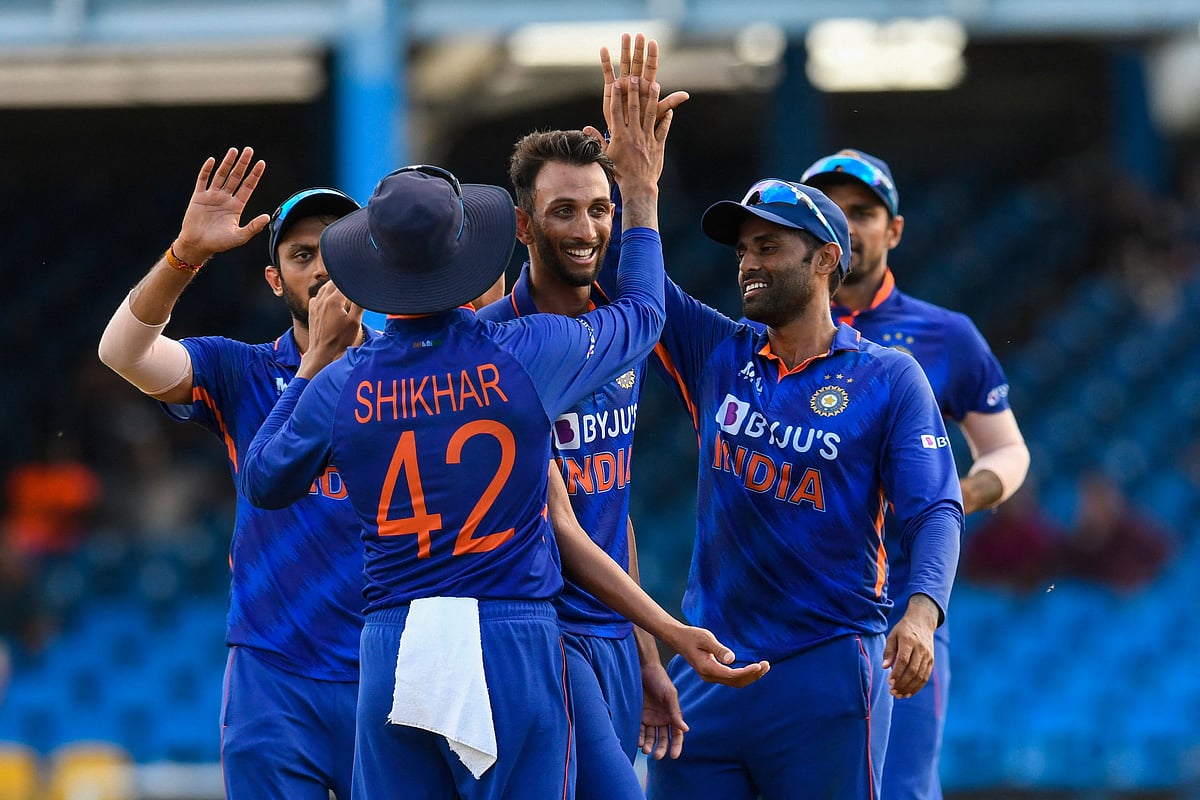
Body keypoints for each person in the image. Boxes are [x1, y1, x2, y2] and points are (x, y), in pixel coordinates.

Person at [239, 64, 767, 800]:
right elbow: (646, 316)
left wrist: (312, 364)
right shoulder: (524, 352)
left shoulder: (345, 378)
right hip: (507, 629)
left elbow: (264, 480)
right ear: (476, 249)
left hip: (392, 637)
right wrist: (642, 195)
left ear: (374, 265)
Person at [594, 165, 963, 795]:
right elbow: (623, 278)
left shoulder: (888, 378)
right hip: (709, 669)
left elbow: (935, 510)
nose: (748, 264)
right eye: (743, 250)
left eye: (768, 247)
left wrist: (923, 613)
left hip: (825, 669)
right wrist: (634, 187)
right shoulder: (719, 352)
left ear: (825, 259)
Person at [97, 148, 368, 800]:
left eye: (338, 251)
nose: (322, 267)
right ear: (275, 280)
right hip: (274, 677)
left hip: (389, 667)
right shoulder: (240, 370)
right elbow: (122, 352)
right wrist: (185, 254)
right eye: (301, 255)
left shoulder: (412, 373)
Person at [799, 148, 1031, 800]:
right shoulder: (767, 331)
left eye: (863, 212)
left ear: (894, 230)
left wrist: (953, 496)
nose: (846, 224)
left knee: (898, 787)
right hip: (787, 606)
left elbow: (1008, 451)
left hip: (901, 607)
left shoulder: (944, 335)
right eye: (829, 210)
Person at [477, 125, 685, 795]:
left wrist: (647, 656)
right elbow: (558, 527)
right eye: (563, 210)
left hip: (614, 638)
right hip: (541, 631)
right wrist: (672, 630)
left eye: (599, 209)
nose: (586, 229)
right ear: (523, 225)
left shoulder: (616, 335)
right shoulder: (494, 344)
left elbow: (611, 509)